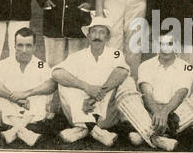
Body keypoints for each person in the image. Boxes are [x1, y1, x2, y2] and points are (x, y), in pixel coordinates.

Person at [51, 17, 136, 146]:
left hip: (105, 113)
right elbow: (56, 73)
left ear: (107, 37)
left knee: (125, 81)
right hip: (81, 108)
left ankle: (83, 129)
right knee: (65, 84)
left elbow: (122, 71)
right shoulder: (77, 56)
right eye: (94, 32)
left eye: (102, 32)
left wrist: (96, 96)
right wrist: (87, 87)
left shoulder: (115, 53)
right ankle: (96, 131)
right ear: (88, 36)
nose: (97, 36)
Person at [0, 28, 56, 146]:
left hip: (30, 112)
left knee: (40, 94)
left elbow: (52, 84)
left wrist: (26, 94)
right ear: (14, 46)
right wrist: (13, 97)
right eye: (20, 45)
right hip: (9, 112)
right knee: (0, 93)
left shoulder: (39, 64)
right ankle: (25, 132)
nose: (24, 50)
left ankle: (13, 131)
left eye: (28, 46)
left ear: (34, 47)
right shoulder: (5, 63)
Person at [130, 32, 193, 151]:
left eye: (170, 43)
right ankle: (158, 138)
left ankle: (145, 133)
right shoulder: (145, 65)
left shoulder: (187, 67)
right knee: (128, 93)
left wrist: (164, 113)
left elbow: (180, 94)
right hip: (150, 111)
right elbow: (146, 93)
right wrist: (157, 112)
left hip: (174, 113)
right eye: (161, 43)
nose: (165, 48)